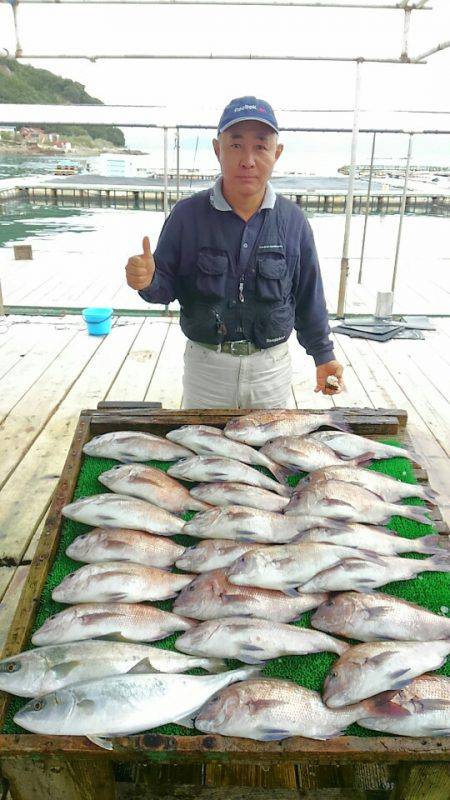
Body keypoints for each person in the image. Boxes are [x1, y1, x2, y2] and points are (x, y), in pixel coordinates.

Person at [126, 95, 344, 409]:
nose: (248, 160)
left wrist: (324, 356)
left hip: (270, 371)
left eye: (261, 146)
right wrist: (147, 280)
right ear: (218, 149)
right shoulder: (186, 216)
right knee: (202, 443)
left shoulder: (293, 221)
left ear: (277, 153)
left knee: (272, 442)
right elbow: (164, 288)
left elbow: (309, 296)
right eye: (236, 145)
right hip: (206, 370)